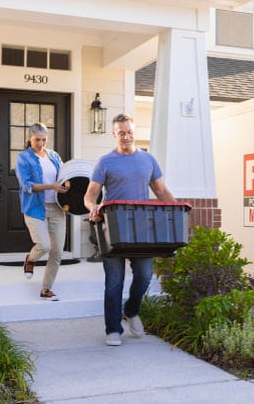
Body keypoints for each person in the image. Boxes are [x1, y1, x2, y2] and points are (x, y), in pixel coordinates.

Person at [84, 113, 176, 347]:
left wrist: (178, 212)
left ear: (135, 133)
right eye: (121, 133)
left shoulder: (148, 160)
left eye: (130, 132)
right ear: (114, 134)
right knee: (114, 281)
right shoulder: (105, 162)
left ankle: (131, 310)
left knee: (144, 275)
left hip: (141, 228)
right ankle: (113, 329)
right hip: (112, 228)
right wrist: (92, 207)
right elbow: (90, 194)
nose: (126, 136)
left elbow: (161, 191)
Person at [15, 122, 69, 301]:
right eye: (37, 139)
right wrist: (51, 186)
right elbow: (27, 185)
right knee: (44, 246)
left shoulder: (53, 155)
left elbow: (64, 176)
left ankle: (46, 289)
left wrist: (67, 185)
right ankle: (30, 259)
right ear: (29, 138)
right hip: (35, 208)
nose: (41, 143)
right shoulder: (23, 158)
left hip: (57, 207)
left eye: (44, 140)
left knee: (57, 251)